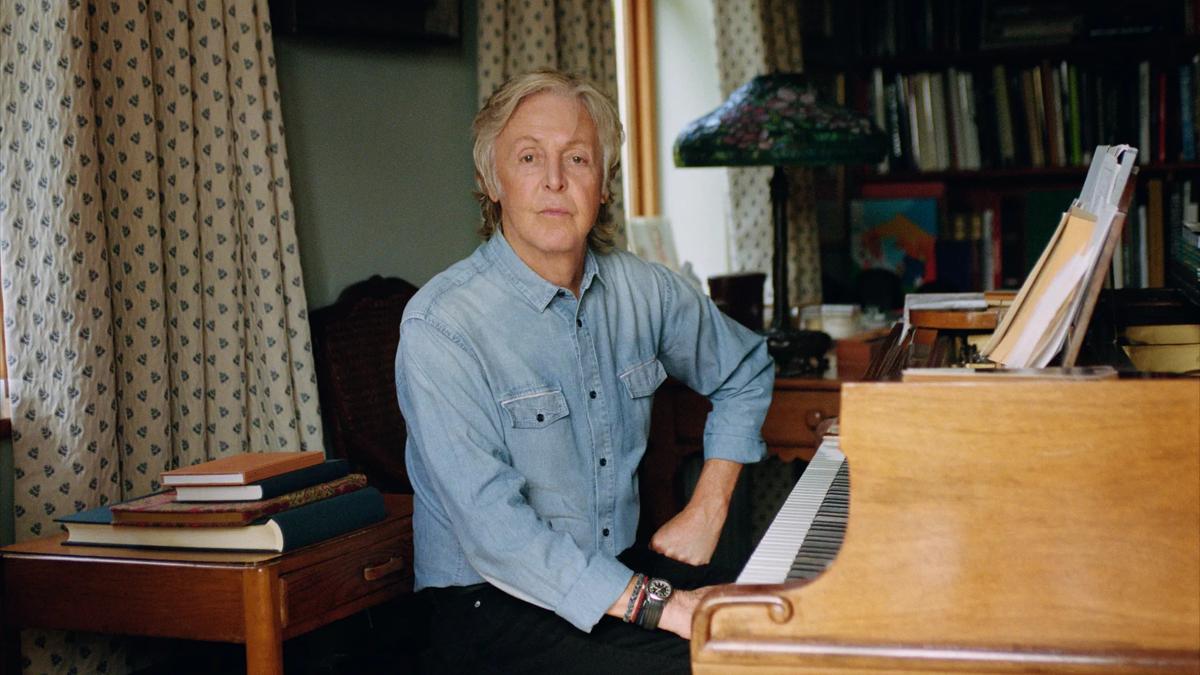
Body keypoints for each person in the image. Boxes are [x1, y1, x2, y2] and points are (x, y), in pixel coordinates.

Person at [394, 69, 774, 674]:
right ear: (492, 181)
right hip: (486, 606)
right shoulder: (441, 327)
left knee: (784, 627)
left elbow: (748, 368)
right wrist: (664, 605)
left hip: (615, 576)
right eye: (527, 157)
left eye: (576, 158)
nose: (553, 180)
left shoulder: (642, 290)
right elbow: (498, 536)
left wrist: (709, 505)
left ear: (602, 184)